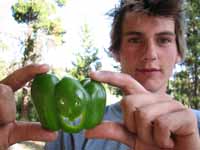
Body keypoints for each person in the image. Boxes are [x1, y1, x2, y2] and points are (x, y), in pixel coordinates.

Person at [0, 0, 200, 149]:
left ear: (179, 53)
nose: (150, 54)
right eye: (135, 40)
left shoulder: (195, 128)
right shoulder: (76, 126)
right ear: (116, 51)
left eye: (164, 40)